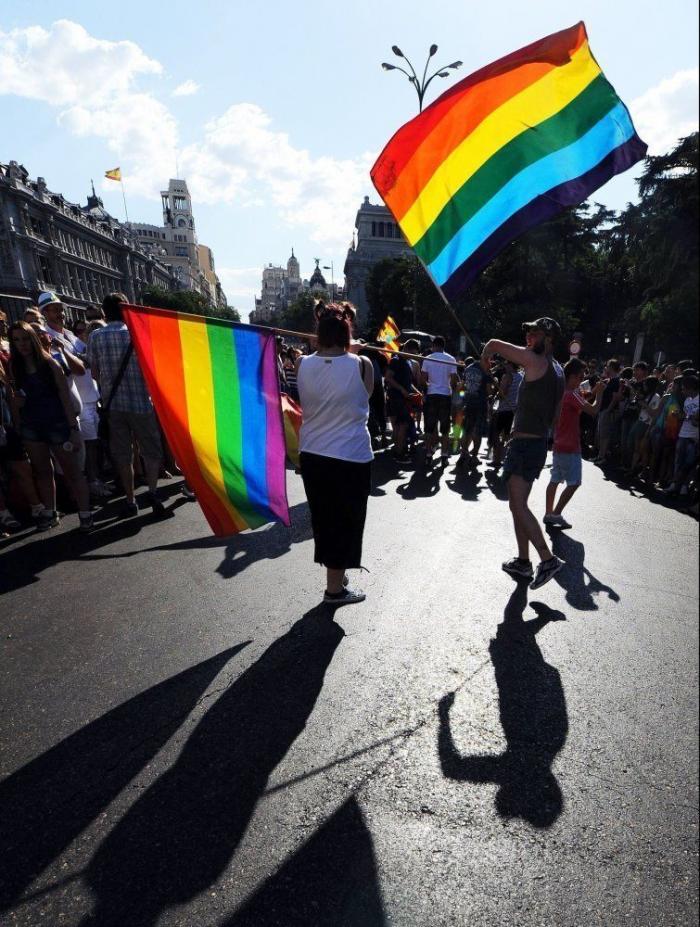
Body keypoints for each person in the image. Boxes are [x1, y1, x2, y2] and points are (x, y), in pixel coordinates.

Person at [296, 303, 374, 606]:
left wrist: (344, 350)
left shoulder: (301, 363)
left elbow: (327, 362)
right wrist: (354, 351)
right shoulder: (362, 364)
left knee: (324, 517)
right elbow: (365, 394)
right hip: (351, 456)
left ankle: (336, 574)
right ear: (347, 333)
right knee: (346, 521)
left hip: (313, 454)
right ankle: (334, 590)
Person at [481, 317, 565, 590]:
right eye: (527, 332)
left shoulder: (533, 360)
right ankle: (523, 561)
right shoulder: (558, 370)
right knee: (518, 504)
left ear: (548, 338)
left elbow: (493, 344)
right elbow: (555, 416)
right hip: (537, 442)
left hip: (525, 445)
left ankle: (547, 559)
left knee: (517, 504)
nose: (529, 337)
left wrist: (484, 358)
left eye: (535, 333)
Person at [8, 321, 92, 531]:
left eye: (26, 338)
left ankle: (86, 514)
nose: (22, 344)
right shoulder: (14, 366)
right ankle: (50, 512)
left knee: (73, 472)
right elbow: (16, 396)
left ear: (33, 339)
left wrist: (73, 430)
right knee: (43, 471)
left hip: (58, 424)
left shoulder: (50, 364)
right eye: (16, 340)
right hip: (31, 427)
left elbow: (65, 397)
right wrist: (17, 413)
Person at [88, 292, 165, 517]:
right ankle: (152, 491)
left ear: (104, 312)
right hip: (141, 403)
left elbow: (94, 373)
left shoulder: (95, 336)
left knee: (123, 454)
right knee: (151, 451)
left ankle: (131, 500)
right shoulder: (139, 334)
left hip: (113, 405)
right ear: (127, 310)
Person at [544, 358, 605, 529]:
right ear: (571, 376)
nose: (581, 380)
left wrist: (592, 392)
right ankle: (555, 513)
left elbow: (582, 401)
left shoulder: (563, 393)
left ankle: (549, 513)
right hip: (570, 446)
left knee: (555, 480)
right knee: (574, 483)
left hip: (559, 443)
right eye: (579, 377)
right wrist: (599, 393)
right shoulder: (571, 395)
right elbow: (593, 410)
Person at [421, 335, 458, 465]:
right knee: (445, 428)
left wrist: (426, 391)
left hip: (431, 394)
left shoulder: (427, 359)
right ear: (443, 346)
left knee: (429, 427)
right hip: (445, 395)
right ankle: (444, 454)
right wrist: (452, 390)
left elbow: (423, 379)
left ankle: (428, 454)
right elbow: (453, 381)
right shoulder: (451, 359)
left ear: (433, 345)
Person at [666, 375, 699, 496]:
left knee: (689, 463)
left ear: (691, 388)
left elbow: (696, 421)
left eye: (684, 388)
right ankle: (675, 484)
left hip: (694, 437)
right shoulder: (686, 400)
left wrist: (688, 417)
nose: (682, 391)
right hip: (683, 434)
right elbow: (687, 417)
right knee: (678, 461)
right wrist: (679, 415)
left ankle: (684, 486)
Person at [458, 355, 493, 469]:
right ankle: (474, 456)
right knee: (476, 431)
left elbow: (461, 387)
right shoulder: (485, 371)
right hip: (480, 404)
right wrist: (493, 382)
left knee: (467, 430)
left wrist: (464, 398)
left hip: (468, 403)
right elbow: (488, 392)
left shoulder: (468, 368)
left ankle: (464, 452)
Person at [385, 342, 417, 463]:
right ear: (407, 349)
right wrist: (402, 390)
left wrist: (417, 392)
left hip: (403, 398)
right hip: (397, 398)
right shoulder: (396, 360)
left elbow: (409, 382)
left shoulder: (406, 363)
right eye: (413, 352)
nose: (413, 356)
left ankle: (398, 451)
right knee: (402, 426)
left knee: (400, 425)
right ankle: (399, 453)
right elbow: (388, 377)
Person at [492, 360, 523, 470]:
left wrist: (496, 392)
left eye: (506, 363)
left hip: (504, 409)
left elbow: (503, 393)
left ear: (510, 364)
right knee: (507, 436)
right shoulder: (521, 376)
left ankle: (497, 459)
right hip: (515, 410)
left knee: (496, 435)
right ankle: (504, 459)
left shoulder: (507, 376)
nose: (504, 365)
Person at [594, 359, 623, 464]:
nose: (606, 367)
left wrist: (608, 410)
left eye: (608, 366)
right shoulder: (610, 379)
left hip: (608, 410)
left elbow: (615, 398)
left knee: (604, 435)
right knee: (601, 434)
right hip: (603, 409)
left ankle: (602, 456)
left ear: (612, 367)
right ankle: (599, 455)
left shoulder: (616, 381)